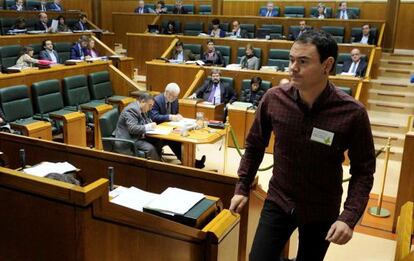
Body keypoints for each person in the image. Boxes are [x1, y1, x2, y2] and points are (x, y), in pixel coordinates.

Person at [229, 30, 375, 261]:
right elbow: (255, 145)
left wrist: (349, 216)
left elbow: (364, 171)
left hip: (321, 209)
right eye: (291, 60)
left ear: (327, 65)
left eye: (303, 61)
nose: (293, 68)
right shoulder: (273, 99)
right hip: (279, 199)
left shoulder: (352, 113)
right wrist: (242, 186)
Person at [114, 93, 162, 161]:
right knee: (151, 148)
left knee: (158, 141)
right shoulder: (132, 110)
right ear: (142, 102)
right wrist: (149, 126)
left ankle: (158, 163)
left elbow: (146, 121)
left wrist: (151, 124)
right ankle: (156, 169)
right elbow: (132, 129)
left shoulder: (142, 108)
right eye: (150, 105)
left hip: (137, 136)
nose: (151, 108)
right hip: (128, 140)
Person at [149, 83, 183, 160]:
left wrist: (178, 116)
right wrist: (170, 116)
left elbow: (176, 112)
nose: (175, 98)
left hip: (170, 128)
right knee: (173, 141)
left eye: (176, 96)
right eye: (173, 96)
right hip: (158, 131)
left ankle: (192, 163)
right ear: (167, 92)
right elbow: (154, 116)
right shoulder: (156, 100)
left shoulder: (175, 99)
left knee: (178, 139)